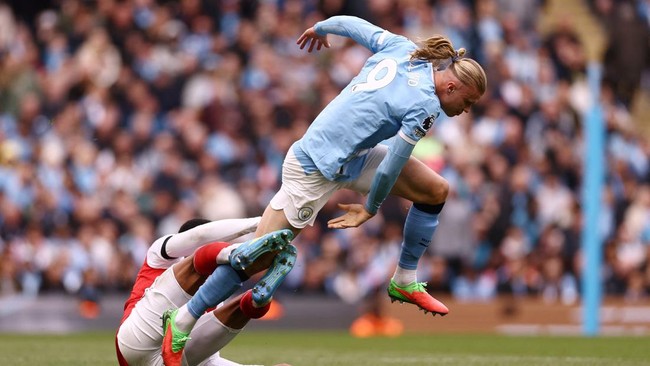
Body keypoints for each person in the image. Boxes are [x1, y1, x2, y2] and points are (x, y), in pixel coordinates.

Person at [252, 15, 487, 316]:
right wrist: (370, 208)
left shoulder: (402, 48)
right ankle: (189, 299)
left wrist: (321, 28)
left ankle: (404, 280)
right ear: (452, 87)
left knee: (436, 190)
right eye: (468, 103)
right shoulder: (426, 104)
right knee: (255, 258)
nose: (465, 110)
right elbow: (391, 164)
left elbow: (352, 25)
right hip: (317, 167)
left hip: (353, 157)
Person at [116, 216, 295, 366]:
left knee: (215, 280)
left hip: (144, 351)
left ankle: (254, 299)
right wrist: (262, 222)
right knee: (210, 272)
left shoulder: (216, 286)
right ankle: (252, 295)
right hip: (143, 343)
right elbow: (199, 235)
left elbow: (208, 361)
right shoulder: (161, 254)